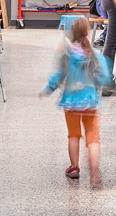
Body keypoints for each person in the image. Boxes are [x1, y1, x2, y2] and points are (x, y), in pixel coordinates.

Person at [43, 17, 103, 185]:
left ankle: (74, 167)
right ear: (87, 33)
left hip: (71, 102)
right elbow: (100, 74)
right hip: (90, 101)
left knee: (73, 135)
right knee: (92, 136)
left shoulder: (67, 54)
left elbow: (59, 75)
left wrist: (48, 88)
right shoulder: (92, 54)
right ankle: (94, 170)